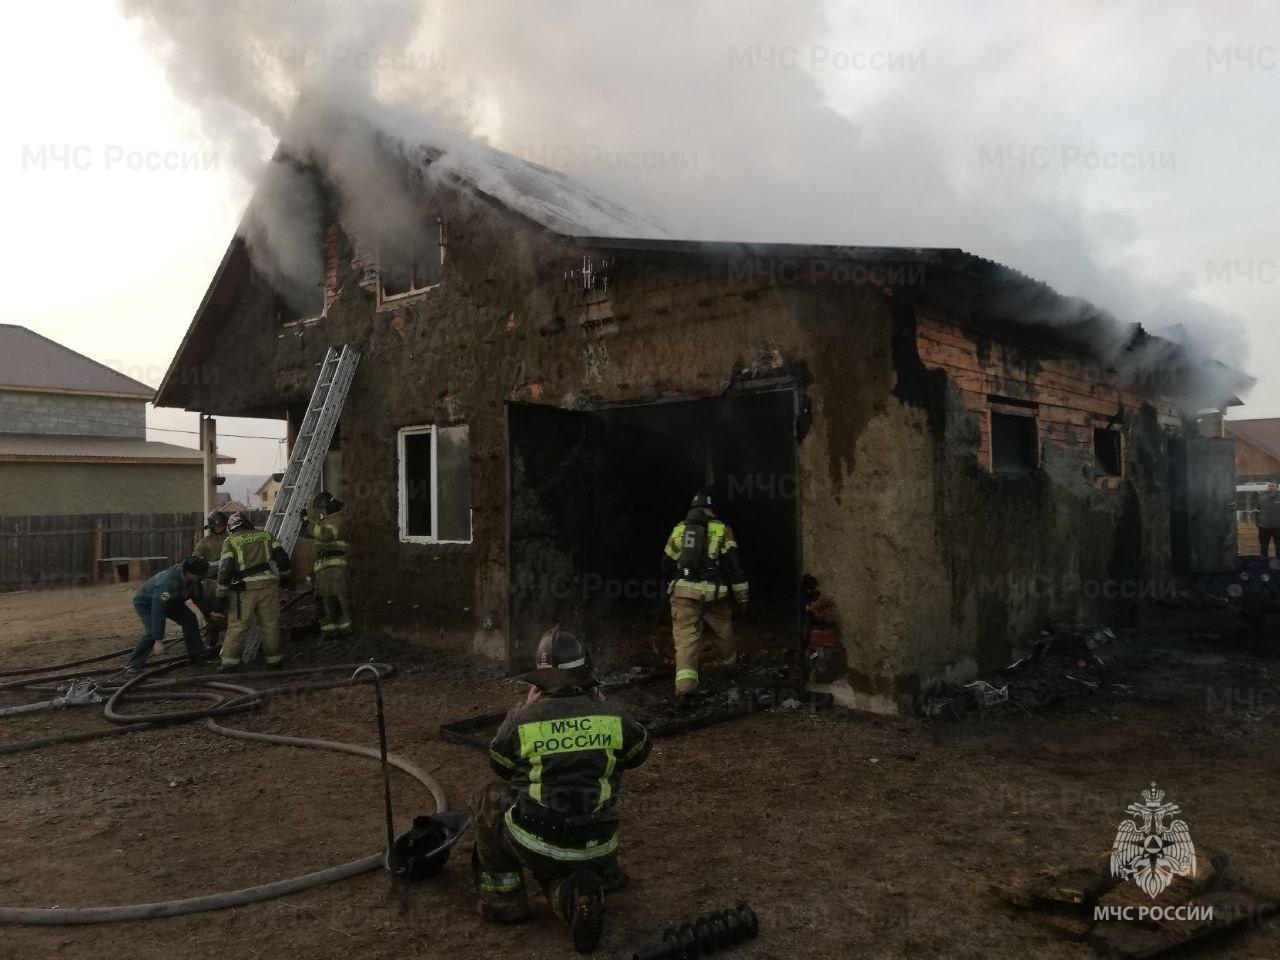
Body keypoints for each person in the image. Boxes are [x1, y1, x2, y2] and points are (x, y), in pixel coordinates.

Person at [473, 627, 651, 954]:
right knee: (563, 860)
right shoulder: (612, 716)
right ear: (586, 676)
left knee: (489, 797)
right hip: (599, 845)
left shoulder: (523, 720)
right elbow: (639, 752)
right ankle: (582, 890)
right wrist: (600, 708)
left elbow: (499, 763)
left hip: (541, 841)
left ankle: (504, 903)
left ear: (539, 682)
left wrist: (524, 711)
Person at [661, 491, 749, 706]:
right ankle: (729, 672)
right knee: (723, 630)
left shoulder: (680, 529)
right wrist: (742, 596)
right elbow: (733, 565)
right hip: (714, 594)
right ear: (713, 510)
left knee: (686, 640)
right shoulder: (722, 529)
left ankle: (685, 690)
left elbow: (666, 563)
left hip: (684, 593)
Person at [216, 512, 292, 672]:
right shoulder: (266, 535)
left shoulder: (230, 541)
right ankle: (274, 660)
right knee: (270, 624)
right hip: (268, 585)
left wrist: (221, 593)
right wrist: (285, 576)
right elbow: (283, 558)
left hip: (244, 590)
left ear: (232, 527)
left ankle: (229, 663)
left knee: (238, 625)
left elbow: (225, 569)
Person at [127, 557, 223, 672]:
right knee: (151, 632)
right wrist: (158, 641)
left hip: (173, 602)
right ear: (189, 573)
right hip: (147, 603)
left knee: (189, 619)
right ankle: (133, 664)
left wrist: (209, 613)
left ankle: (196, 655)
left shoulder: (193, 578)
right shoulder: (167, 584)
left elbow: (198, 597)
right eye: (199, 575)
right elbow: (159, 609)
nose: (201, 577)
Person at [298, 492, 352, 638]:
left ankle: (344, 631)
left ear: (330, 506)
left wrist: (308, 524)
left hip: (335, 568)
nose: (321, 512)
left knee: (336, 600)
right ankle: (329, 632)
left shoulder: (338, 520)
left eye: (322, 509)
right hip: (323, 569)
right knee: (323, 601)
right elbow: (310, 533)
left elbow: (326, 535)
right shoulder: (326, 521)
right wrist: (303, 523)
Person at [193, 510, 229, 651]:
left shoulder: (231, 540)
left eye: (222, 525)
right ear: (212, 527)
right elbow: (196, 565)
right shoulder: (203, 544)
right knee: (213, 612)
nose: (220, 528)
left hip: (230, 581)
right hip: (211, 583)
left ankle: (231, 643)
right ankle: (210, 641)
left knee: (232, 612)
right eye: (217, 526)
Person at [1258, 482, 1280, 560]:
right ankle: (1264, 565)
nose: (1270, 487)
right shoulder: (1261, 497)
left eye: (1272, 486)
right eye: (1269, 486)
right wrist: (1258, 523)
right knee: (1263, 548)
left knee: (1279, 547)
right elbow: (1257, 510)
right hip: (1264, 527)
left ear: (1277, 487)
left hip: (1278, 527)